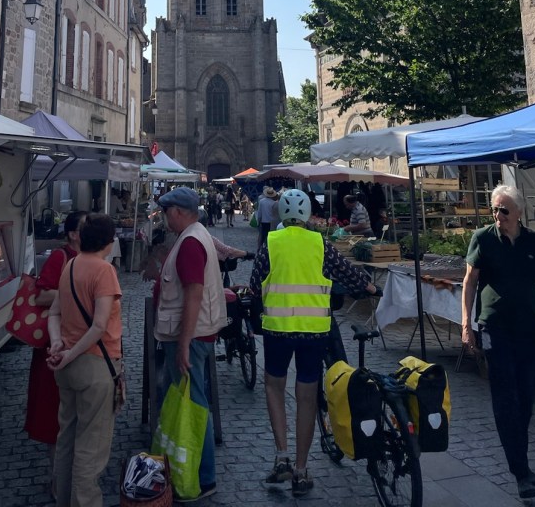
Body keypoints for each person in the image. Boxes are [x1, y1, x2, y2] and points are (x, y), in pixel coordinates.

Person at [250, 189, 378, 497]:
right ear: (308, 214)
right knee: (307, 398)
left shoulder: (271, 242)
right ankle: (301, 470)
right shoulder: (320, 243)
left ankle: (282, 457)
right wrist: (370, 286)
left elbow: (255, 285)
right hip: (314, 332)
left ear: (282, 214)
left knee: (274, 388)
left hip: (278, 330)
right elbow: (347, 273)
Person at [461, 184, 535, 500]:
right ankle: (520, 471)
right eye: (494, 209)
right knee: (506, 399)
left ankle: (521, 458)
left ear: (519, 212)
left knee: (527, 395)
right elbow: (470, 282)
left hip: (529, 329)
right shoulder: (483, 239)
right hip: (495, 328)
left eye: (504, 210)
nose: (498, 215)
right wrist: (466, 325)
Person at [154, 187, 226, 501]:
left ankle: (203, 477)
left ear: (179, 212)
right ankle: (192, 469)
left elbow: (194, 294)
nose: (165, 218)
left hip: (191, 337)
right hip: (195, 335)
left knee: (195, 404)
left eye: (167, 212)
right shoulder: (196, 235)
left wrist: (183, 343)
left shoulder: (190, 242)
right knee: (192, 400)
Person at [47, 213, 122, 507]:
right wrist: (70, 352)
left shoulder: (71, 264)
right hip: (94, 365)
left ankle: (63, 499)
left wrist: (58, 343)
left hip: (68, 368)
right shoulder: (104, 271)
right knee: (91, 448)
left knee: (66, 439)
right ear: (108, 242)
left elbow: (54, 313)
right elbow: (99, 326)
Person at [24, 210, 86, 480]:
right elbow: (41, 296)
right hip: (56, 344)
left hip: (80, 345)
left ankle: (71, 473)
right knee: (54, 412)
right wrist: (77, 293)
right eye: (85, 227)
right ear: (73, 234)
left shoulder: (88, 259)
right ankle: (58, 477)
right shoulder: (61, 257)